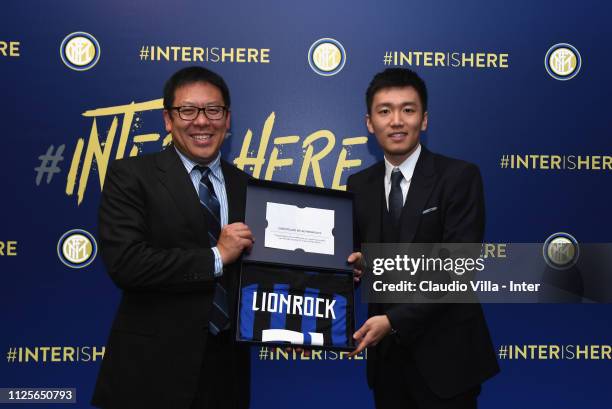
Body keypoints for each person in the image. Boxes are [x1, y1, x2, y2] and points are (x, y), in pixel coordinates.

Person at [92, 66, 253, 409]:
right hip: (150, 372)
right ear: (168, 119)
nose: (201, 121)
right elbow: (127, 264)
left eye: (213, 110)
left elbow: (263, 270)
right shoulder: (131, 176)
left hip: (227, 372)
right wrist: (216, 255)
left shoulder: (247, 186)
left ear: (227, 119)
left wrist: (332, 278)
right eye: (187, 110)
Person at [347, 68, 499, 408]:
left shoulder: (459, 177)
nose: (397, 121)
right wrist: (355, 269)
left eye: (408, 109)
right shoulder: (359, 186)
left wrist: (394, 320)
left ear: (424, 120)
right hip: (386, 363)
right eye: (384, 111)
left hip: (448, 361)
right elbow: (356, 260)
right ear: (370, 123)